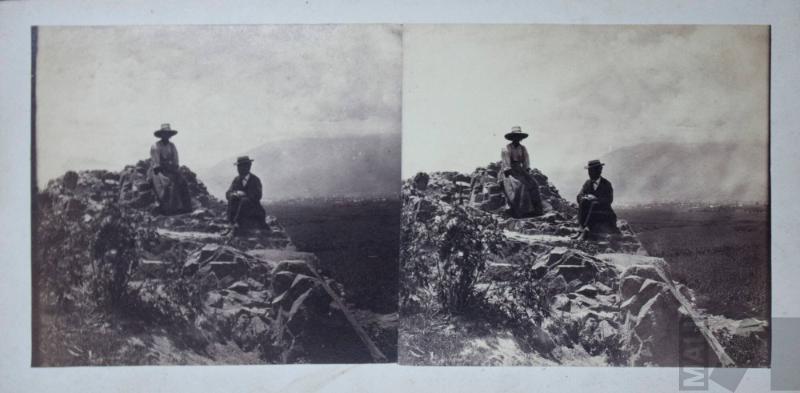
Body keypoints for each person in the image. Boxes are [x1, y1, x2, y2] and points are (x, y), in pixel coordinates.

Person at [499, 126, 544, 218]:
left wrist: (526, 169)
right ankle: (521, 211)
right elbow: (506, 163)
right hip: (508, 170)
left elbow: (526, 161)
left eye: (519, 137)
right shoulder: (506, 148)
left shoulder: (523, 148)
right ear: (512, 138)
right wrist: (509, 170)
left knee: (533, 183)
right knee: (519, 185)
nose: (517, 139)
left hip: (519, 169)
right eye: (515, 136)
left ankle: (535, 210)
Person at [148, 123, 192, 215]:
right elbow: (157, 164)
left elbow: (175, 161)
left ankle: (185, 207)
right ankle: (168, 209)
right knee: (167, 182)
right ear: (161, 135)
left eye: (168, 134)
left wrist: (174, 170)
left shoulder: (172, 146)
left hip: (169, 169)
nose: (166, 136)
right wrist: (166, 168)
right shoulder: (156, 146)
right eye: (164, 134)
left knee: (182, 181)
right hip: (158, 171)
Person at [573, 159, 619, 239]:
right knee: (583, 201)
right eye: (589, 171)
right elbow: (578, 197)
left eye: (592, 170)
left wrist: (595, 199)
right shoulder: (587, 183)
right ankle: (581, 229)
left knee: (594, 203)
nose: (589, 173)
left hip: (603, 213)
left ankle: (586, 231)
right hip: (589, 213)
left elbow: (609, 200)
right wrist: (585, 197)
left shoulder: (606, 184)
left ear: (599, 170)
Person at [225, 155, 269, 231]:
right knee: (233, 197)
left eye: (242, 166)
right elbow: (228, 193)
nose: (239, 169)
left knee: (245, 201)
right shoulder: (236, 180)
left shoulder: (255, 180)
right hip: (238, 210)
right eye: (238, 167)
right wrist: (235, 194)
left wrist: (244, 194)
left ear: (248, 167)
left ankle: (236, 226)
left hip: (253, 210)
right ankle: (231, 224)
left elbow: (258, 195)